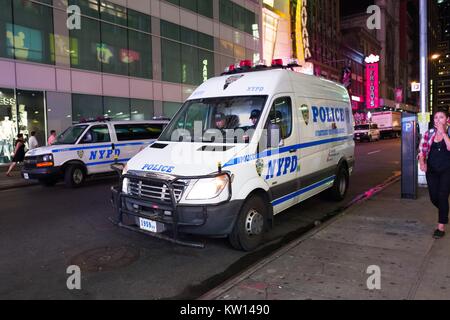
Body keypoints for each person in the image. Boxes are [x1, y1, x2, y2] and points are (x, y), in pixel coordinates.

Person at [419, 109, 450, 239]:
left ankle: (440, 227)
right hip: (432, 170)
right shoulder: (429, 133)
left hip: (447, 170)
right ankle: (444, 211)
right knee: (433, 197)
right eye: (436, 117)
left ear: (447, 120)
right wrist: (422, 162)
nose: (438, 120)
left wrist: (443, 133)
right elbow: (422, 149)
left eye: (441, 117)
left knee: (442, 195)